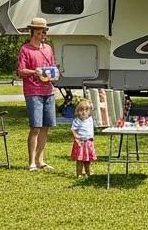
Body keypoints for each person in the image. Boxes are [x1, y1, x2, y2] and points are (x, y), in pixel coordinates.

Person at [16, 16, 60, 172]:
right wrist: (35, 72)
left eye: (45, 30)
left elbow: (52, 66)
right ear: (33, 31)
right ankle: (31, 162)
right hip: (33, 91)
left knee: (46, 127)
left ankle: (40, 160)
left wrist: (54, 74)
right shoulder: (25, 49)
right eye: (41, 30)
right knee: (35, 127)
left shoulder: (47, 48)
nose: (44, 33)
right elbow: (21, 71)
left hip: (48, 91)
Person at [69, 98, 97, 179]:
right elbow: (72, 129)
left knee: (87, 160)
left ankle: (88, 173)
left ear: (90, 111)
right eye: (81, 110)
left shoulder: (90, 119)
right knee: (80, 160)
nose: (84, 112)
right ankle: (79, 174)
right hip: (80, 143)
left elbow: (94, 109)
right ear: (77, 111)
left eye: (86, 110)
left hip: (89, 142)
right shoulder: (77, 120)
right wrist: (75, 136)